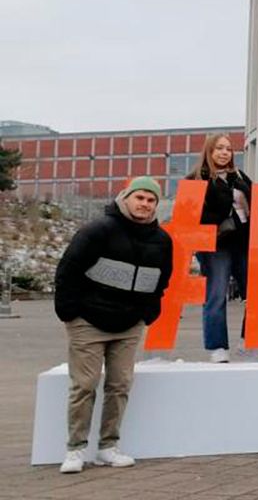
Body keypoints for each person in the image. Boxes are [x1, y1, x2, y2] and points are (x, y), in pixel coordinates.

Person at [53, 177, 174, 474]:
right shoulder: (98, 230)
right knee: (84, 385)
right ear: (126, 197)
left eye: (151, 200)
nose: (144, 204)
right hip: (87, 322)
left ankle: (108, 446)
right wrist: (69, 313)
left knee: (119, 385)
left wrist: (148, 313)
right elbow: (68, 270)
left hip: (129, 324)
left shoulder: (162, 240)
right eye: (140, 197)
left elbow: (162, 281)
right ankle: (75, 450)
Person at [188, 134, 252, 363]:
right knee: (216, 294)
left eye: (228, 148)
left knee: (256, 293)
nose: (225, 153)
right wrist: (226, 203)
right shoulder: (197, 179)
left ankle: (249, 339)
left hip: (243, 243)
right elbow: (193, 216)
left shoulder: (240, 176)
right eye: (219, 148)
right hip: (215, 245)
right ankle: (217, 346)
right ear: (209, 152)